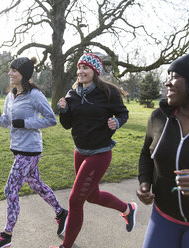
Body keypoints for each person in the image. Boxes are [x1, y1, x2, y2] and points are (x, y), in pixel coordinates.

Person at [51, 53, 137, 248]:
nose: (81, 71)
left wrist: (117, 122)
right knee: (92, 196)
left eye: (85, 68)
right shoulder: (72, 94)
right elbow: (67, 125)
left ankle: (66, 246)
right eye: (79, 68)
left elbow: (123, 113)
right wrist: (64, 110)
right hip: (80, 151)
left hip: (100, 152)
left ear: (95, 71)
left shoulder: (107, 92)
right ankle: (127, 208)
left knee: (75, 201)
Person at [137, 50, 189, 248]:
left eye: (175, 77)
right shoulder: (159, 117)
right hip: (162, 219)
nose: (167, 83)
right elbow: (146, 155)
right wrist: (144, 181)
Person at [0, 57, 68, 248]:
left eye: (14, 70)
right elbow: (8, 122)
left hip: (30, 150)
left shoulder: (35, 95)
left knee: (10, 189)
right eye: (10, 70)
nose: (10, 73)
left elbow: (51, 119)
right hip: (17, 149)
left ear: (23, 74)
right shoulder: (10, 95)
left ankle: (7, 235)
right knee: (36, 185)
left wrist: (26, 124)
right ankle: (61, 212)